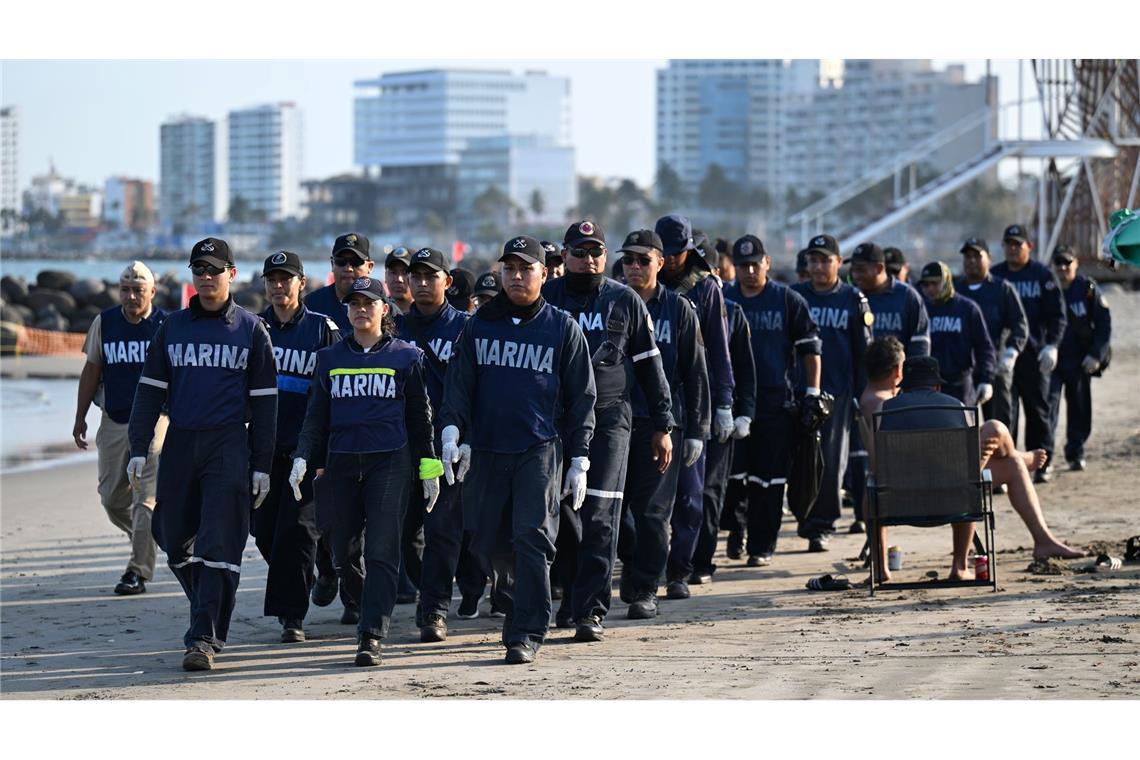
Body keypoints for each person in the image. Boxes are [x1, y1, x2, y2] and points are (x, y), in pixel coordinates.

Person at [440, 235, 596, 664]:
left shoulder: (562, 328)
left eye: (526, 268)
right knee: (485, 539)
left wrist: (579, 457)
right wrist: (452, 429)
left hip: (539, 449)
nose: (516, 276)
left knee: (533, 537)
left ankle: (526, 632)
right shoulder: (479, 324)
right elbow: (459, 384)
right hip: (487, 451)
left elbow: (583, 397)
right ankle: (511, 591)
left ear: (544, 274)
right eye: (509, 268)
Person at [127, 238, 278, 671]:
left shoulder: (251, 330)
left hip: (229, 444)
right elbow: (149, 392)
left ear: (232, 273)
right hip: (181, 442)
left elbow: (266, 403)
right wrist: (139, 446)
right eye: (199, 270)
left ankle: (203, 639)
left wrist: (262, 464)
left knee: (218, 542)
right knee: (170, 534)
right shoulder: (171, 328)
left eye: (215, 269)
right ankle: (209, 597)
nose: (206, 277)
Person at [290, 276, 441, 666]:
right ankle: (359, 596)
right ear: (347, 310)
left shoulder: (407, 357)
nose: (361, 309)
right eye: (354, 303)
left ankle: (371, 633)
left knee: (381, 550)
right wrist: (303, 455)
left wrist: (429, 467)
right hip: (341, 461)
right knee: (342, 551)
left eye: (369, 303)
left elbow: (421, 419)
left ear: (383, 309)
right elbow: (316, 416)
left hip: (390, 461)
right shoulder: (329, 359)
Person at [541, 220, 673, 642]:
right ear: (564, 256)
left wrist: (664, 424)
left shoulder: (624, 300)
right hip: (556, 422)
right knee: (561, 516)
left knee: (600, 515)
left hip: (612, 421)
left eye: (596, 251)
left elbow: (651, 367)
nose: (589, 258)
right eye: (580, 252)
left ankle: (591, 611)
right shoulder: (546, 301)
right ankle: (566, 598)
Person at [859, 342, 1084, 583]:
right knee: (995, 464)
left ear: (904, 383)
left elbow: (876, 466)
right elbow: (968, 461)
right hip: (954, 501)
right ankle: (960, 566)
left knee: (872, 486)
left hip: (899, 503)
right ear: (936, 385)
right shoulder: (957, 408)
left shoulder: (885, 411)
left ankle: (880, 568)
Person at [615, 229, 710, 619]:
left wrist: (697, 431)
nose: (635, 267)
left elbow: (694, 372)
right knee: (619, 514)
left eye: (643, 260)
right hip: (614, 426)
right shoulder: (611, 305)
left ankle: (645, 590)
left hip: (662, 428)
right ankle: (634, 572)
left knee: (654, 514)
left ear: (660, 262)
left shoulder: (679, 309)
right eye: (628, 260)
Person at [254, 251, 342, 643]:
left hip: (307, 453)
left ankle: (292, 617)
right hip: (263, 450)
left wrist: (327, 452)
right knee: (265, 534)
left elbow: (337, 390)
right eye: (271, 278)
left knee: (298, 531)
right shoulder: (254, 329)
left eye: (285, 278)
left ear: (301, 283)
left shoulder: (324, 330)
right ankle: (321, 566)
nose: (277, 285)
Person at [393, 247, 478, 642]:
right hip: (401, 448)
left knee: (442, 529)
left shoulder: (466, 327)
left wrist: (469, 439)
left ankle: (434, 610)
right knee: (403, 532)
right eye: (417, 277)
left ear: (448, 281)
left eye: (431, 276)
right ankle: (426, 589)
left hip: (444, 447)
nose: (423, 284)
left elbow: (478, 388)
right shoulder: (394, 329)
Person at [722, 235, 822, 566]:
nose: (750, 271)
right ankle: (735, 532)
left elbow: (811, 350)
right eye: (742, 266)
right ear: (733, 268)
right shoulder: (723, 299)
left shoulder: (787, 300)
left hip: (776, 403)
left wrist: (811, 393)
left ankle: (762, 545)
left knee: (769, 479)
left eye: (755, 264)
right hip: (733, 402)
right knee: (734, 478)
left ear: (767, 263)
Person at [73, 261, 168, 596]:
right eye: (125, 289)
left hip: (156, 421)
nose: (130, 296)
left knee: (146, 498)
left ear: (152, 292)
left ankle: (137, 571)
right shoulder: (105, 322)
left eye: (138, 290)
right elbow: (92, 369)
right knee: (113, 499)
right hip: (114, 420)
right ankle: (152, 538)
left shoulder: (165, 326)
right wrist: (80, 416)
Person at [655, 214, 735, 599]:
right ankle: (649, 567)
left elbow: (719, 351)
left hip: (693, 405)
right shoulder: (641, 284)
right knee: (650, 499)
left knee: (690, 497)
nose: (670, 261)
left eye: (677, 253)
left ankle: (680, 570)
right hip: (651, 407)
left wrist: (724, 403)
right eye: (664, 253)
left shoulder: (707, 289)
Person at [790, 233, 873, 551]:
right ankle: (798, 518)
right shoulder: (795, 295)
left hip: (836, 395)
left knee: (829, 464)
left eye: (826, 260)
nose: (819, 266)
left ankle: (820, 526)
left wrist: (861, 394)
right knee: (794, 463)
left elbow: (864, 352)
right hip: (797, 392)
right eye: (813, 260)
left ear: (839, 263)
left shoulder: (853, 299)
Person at [302, 234, 368, 623]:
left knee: (362, 521)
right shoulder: (315, 306)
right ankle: (327, 569)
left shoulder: (381, 305)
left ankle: (356, 598)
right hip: (325, 427)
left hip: (368, 430)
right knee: (325, 517)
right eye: (342, 263)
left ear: (368, 268)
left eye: (356, 263)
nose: (348, 269)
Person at [844, 240, 929, 532]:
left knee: (894, 456)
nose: (855, 275)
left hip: (896, 389)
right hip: (859, 387)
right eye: (852, 269)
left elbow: (919, 349)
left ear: (880, 268)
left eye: (860, 269)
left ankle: (900, 507)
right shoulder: (852, 296)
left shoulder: (907, 297)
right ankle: (861, 514)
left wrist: (911, 390)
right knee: (859, 454)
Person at [691, 232, 754, 584]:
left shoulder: (733, 312)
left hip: (718, 409)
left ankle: (702, 561)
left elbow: (742, 366)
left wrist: (739, 409)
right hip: (684, 409)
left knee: (711, 490)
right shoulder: (668, 302)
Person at [991, 224, 1067, 482]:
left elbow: (1058, 315)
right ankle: (1006, 466)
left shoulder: (1042, 275)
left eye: (1018, 244)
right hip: (1005, 358)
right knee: (1004, 413)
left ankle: (1041, 465)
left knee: (1038, 411)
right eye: (1009, 244)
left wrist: (1052, 345)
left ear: (1029, 247)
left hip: (1035, 355)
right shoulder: (996, 276)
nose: (1013, 249)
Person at [1048, 244, 1112, 471]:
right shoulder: (1047, 289)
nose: (1063, 268)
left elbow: (1104, 324)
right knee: (1047, 409)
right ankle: (1045, 458)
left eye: (1067, 263)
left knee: (1079, 409)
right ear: (1052, 266)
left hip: (1080, 360)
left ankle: (1075, 453)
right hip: (1052, 361)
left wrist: (1096, 354)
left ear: (1076, 263)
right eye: (1059, 263)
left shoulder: (1087, 289)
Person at [955, 236, 1029, 426]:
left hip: (996, 368)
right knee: (960, 426)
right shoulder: (955, 290)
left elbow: (1020, 324)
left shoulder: (1002, 289)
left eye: (977, 256)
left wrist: (1012, 351)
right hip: (963, 372)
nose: (971, 261)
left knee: (999, 427)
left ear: (989, 258)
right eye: (967, 257)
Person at [917, 261, 996, 406]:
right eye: (926, 285)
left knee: (963, 427)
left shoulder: (967, 308)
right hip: (929, 385)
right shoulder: (920, 310)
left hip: (960, 385)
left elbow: (984, 347)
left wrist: (986, 379)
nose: (930, 289)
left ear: (946, 281)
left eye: (935, 283)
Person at [384, 246, 413, 315]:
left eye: (405, 273)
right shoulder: (377, 314)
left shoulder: (427, 313)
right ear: (385, 276)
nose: (399, 279)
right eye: (393, 272)